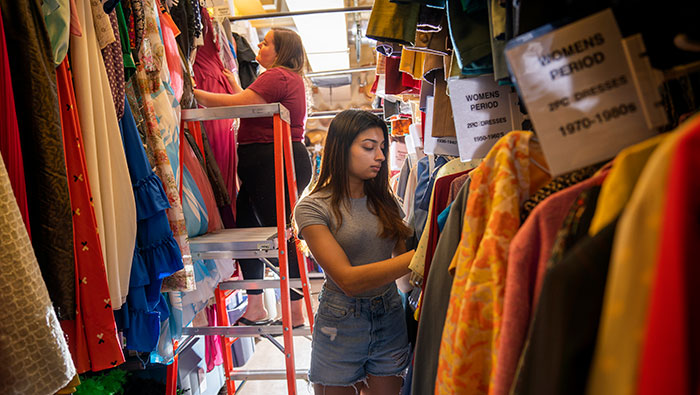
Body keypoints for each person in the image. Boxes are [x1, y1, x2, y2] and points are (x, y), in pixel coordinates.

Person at [194, 27, 311, 327]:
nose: (259, 44)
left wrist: (191, 94)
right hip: (268, 162)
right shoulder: (281, 78)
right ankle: (256, 307)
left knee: (284, 237)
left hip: (273, 161)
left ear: (282, 51)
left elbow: (240, 105)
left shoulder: (278, 75)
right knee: (247, 231)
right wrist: (231, 83)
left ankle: (296, 312)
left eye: (267, 42)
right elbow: (247, 101)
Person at [294, 110, 416, 395]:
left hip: (389, 316)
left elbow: (404, 273)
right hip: (339, 324)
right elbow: (348, 280)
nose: (381, 157)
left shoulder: (387, 201)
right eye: (368, 147)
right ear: (341, 148)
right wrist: (423, 254)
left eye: (382, 148)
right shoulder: (312, 207)